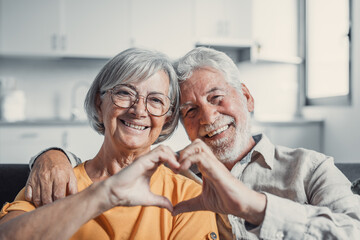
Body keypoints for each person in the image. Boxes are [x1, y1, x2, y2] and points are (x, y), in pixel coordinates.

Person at [15, 47, 360, 239]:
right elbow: (115, 165)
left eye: (217, 97)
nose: (208, 118)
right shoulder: (180, 175)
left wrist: (254, 206)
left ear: (247, 97)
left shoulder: (309, 168)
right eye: (191, 109)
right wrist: (51, 156)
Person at [0, 48, 219, 240]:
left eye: (155, 100)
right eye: (125, 93)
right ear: (99, 103)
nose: (138, 111)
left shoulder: (189, 196)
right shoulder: (56, 180)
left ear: (168, 118)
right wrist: (101, 195)